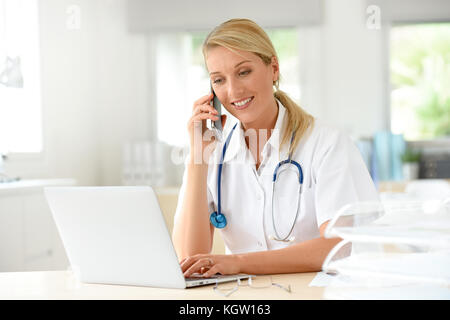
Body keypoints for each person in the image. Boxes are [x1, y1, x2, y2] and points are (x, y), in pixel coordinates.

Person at [172, 18, 379, 278]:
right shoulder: (213, 151)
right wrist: (197, 159)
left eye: (243, 72)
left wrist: (238, 262)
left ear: (274, 68)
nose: (233, 90)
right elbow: (190, 260)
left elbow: (338, 245)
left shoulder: (326, 143)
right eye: (218, 80)